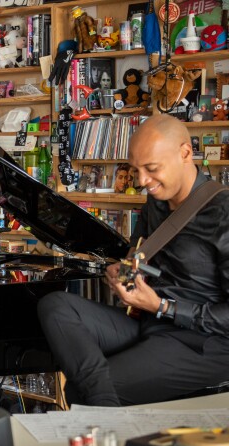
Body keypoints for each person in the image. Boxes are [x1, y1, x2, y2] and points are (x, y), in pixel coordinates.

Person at [37, 115, 229, 406]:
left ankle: (98, 401)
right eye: (136, 170)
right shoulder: (156, 203)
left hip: (203, 342)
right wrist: (123, 272)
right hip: (149, 321)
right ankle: (102, 401)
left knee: (81, 392)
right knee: (55, 305)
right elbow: (138, 255)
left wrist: (163, 306)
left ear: (186, 153)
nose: (141, 181)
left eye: (151, 169)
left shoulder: (223, 213)